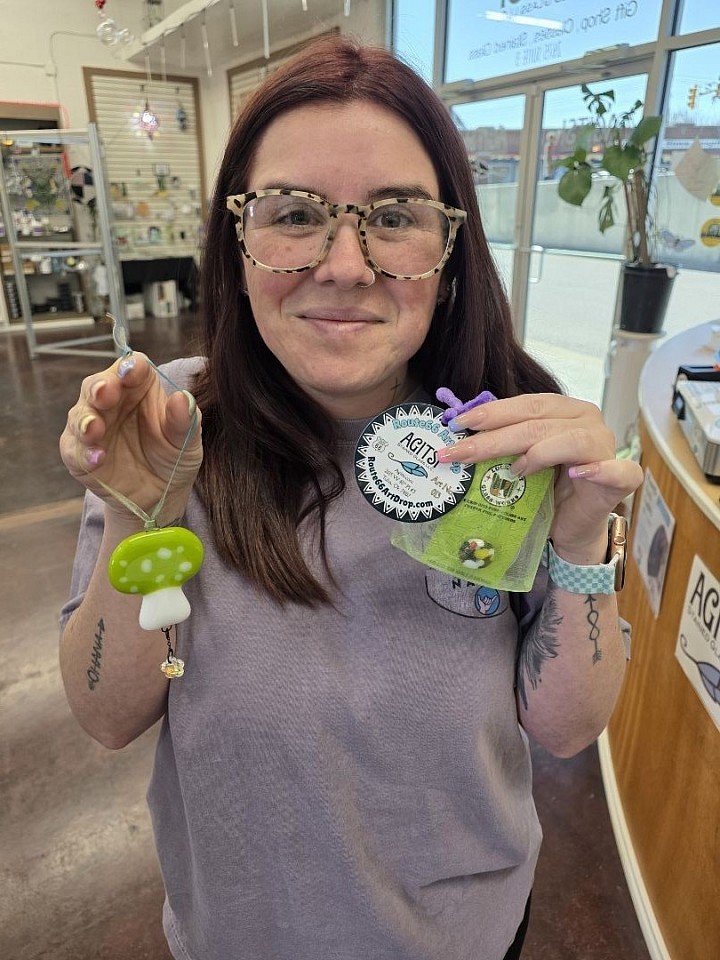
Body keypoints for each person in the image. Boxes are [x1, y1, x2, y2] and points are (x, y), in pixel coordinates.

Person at [59, 36, 643, 960]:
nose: (345, 264)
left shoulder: (512, 440)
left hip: (462, 935)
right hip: (238, 935)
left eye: (395, 217)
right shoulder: (167, 421)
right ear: (236, 244)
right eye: (295, 213)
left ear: (451, 255)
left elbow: (568, 729)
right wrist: (144, 511)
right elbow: (107, 715)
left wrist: (578, 541)